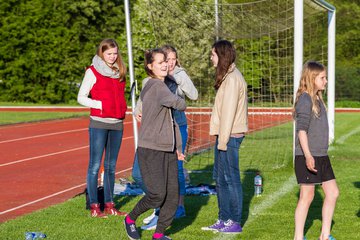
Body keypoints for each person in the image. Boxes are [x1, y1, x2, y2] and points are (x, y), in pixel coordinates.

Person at [124, 48, 186, 240]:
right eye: (160, 62)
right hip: (151, 149)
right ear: (150, 67)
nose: (165, 65)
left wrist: (177, 148)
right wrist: (178, 84)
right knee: (158, 195)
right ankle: (130, 218)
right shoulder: (158, 87)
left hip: (167, 149)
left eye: (166, 61)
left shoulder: (160, 85)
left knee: (172, 196)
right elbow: (180, 105)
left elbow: (171, 120)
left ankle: (159, 235)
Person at [136, 45, 198, 230]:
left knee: (175, 172)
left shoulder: (177, 75)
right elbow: (143, 101)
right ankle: (158, 207)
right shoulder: (153, 80)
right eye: (165, 60)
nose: (169, 63)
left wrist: (177, 79)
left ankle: (177, 207)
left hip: (177, 128)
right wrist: (138, 111)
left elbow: (192, 96)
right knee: (142, 174)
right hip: (156, 133)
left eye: (172, 59)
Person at [201, 40, 248, 234]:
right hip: (224, 135)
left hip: (229, 136)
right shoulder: (227, 76)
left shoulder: (232, 79)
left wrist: (222, 142)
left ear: (221, 55)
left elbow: (228, 113)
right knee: (220, 179)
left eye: (213, 54)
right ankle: (223, 218)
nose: (211, 58)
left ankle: (234, 221)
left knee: (230, 178)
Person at [77, 38, 128, 218]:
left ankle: (109, 204)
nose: (113, 57)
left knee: (111, 166)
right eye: (109, 54)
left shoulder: (120, 71)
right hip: (99, 123)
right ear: (102, 53)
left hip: (117, 124)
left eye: (115, 53)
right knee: (94, 166)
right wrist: (99, 104)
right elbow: (81, 97)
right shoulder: (92, 72)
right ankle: (94, 206)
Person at [293, 61, 339, 240]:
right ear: (312, 79)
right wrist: (308, 156)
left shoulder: (318, 97)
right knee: (307, 196)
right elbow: (301, 130)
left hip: (322, 155)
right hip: (308, 155)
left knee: (333, 192)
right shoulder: (305, 99)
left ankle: (325, 235)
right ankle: (298, 237)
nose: (326, 81)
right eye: (322, 78)